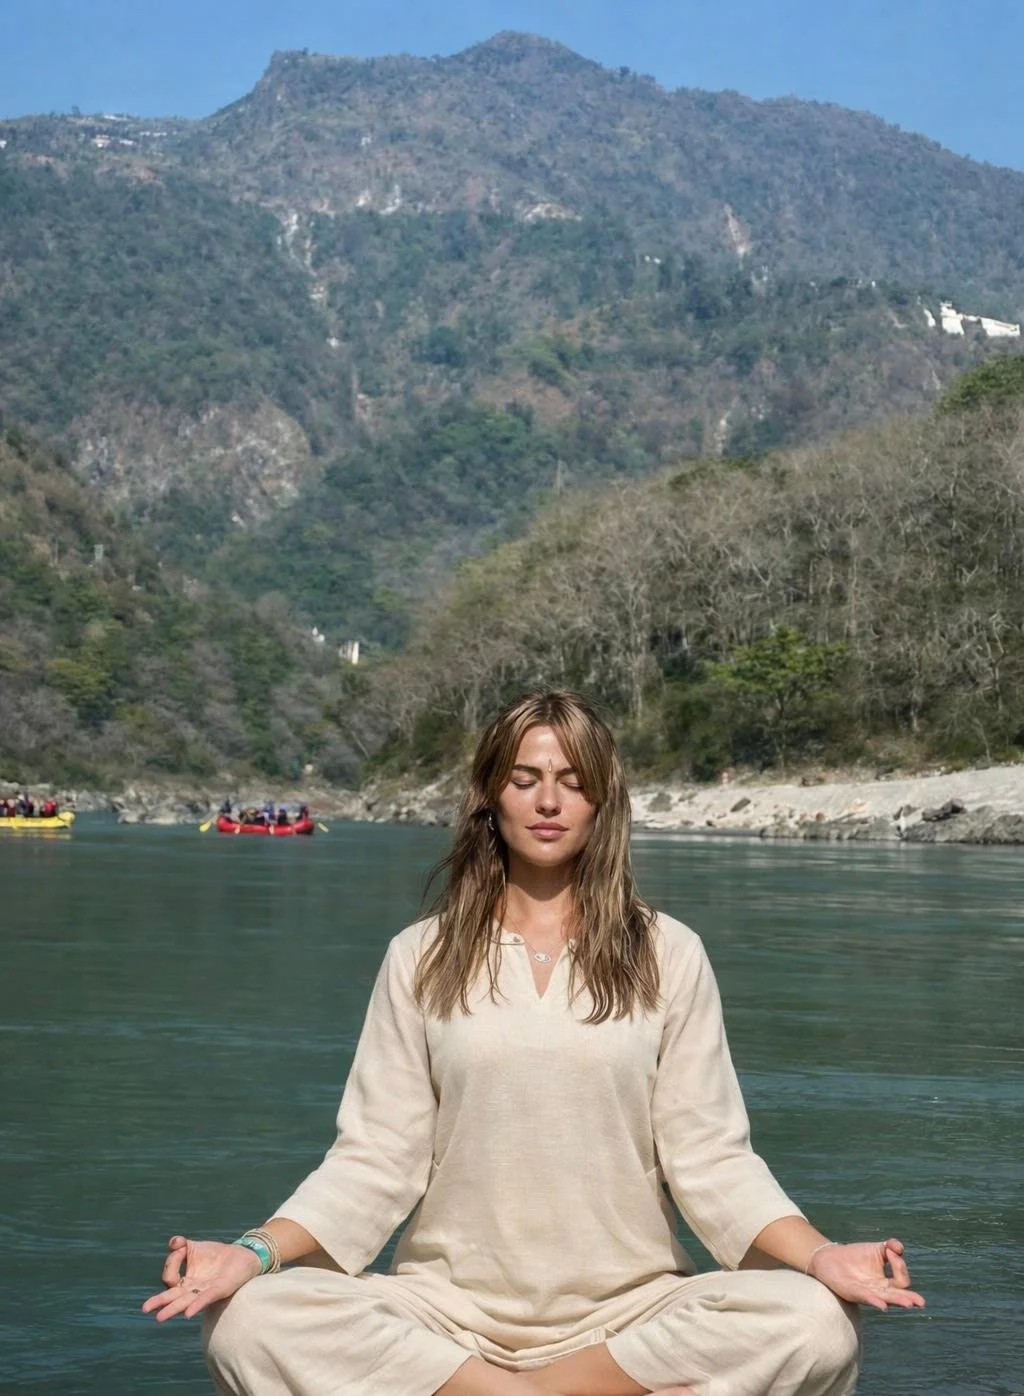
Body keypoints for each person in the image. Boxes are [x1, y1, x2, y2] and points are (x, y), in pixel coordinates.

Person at [143, 690, 923, 1396]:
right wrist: (251, 1253)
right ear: (491, 795)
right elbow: (375, 1159)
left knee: (815, 1322)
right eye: (525, 780)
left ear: (602, 800)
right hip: (444, 1314)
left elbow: (711, 1158)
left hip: (631, 1315)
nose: (549, 801)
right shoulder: (420, 955)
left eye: (573, 782)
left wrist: (821, 1256)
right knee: (249, 1320)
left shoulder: (668, 952)